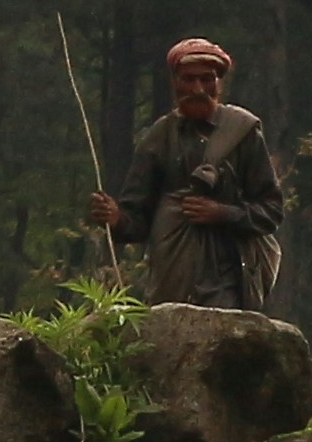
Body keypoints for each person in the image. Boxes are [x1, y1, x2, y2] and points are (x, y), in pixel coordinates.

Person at [88, 37, 287, 309]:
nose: (198, 89)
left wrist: (222, 213)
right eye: (188, 80)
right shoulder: (159, 137)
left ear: (219, 83)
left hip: (228, 277)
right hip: (171, 276)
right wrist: (115, 217)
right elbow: (137, 220)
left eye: (207, 79)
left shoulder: (244, 132)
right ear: (175, 82)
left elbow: (271, 210)